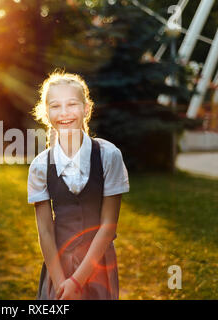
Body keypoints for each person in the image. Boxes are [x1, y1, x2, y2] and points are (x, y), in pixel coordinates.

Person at [27, 70, 130, 300]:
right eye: (55, 106)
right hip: (58, 268)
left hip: (97, 266)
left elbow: (108, 227)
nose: (64, 113)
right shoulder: (40, 166)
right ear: (46, 113)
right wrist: (62, 282)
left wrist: (77, 281)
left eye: (71, 104)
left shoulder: (108, 155)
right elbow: (44, 231)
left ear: (86, 109)